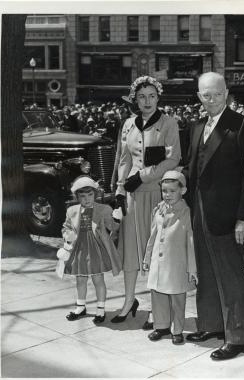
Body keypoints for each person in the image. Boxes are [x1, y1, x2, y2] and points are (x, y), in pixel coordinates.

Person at [182, 71, 244, 360]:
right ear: (198, 96)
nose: (211, 99)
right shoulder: (196, 126)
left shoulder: (242, 126)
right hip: (199, 208)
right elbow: (193, 167)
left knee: (231, 275)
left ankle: (237, 337)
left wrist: (242, 218)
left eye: (216, 93)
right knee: (206, 269)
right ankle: (212, 324)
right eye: (205, 94)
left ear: (226, 93)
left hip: (227, 213)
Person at [112, 76, 181, 328]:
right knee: (131, 249)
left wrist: (141, 177)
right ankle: (129, 301)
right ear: (135, 99)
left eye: (152, 95)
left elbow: (173, 160)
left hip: (157, 194)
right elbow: (124, 160)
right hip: (132, 196)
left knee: (156, 251)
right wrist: (120, 188)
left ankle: (157, 308)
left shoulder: (169, 123)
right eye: (142, 96)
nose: (147, 101)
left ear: (158, 97)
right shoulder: (129, 124)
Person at [142, 170, 197, 345]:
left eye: (172, 191)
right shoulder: (158, 210)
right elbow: (153, 235)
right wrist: (147, 257)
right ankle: (161, 326)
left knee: (177, 298)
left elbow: (190, 241)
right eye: (165, 191)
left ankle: (177, 329)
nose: (167, 195)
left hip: (177, 264)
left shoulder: (186, 212)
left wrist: (192, 267)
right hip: (158, 263)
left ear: (183, 190)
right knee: (157, 294)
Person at [60, 176, 121, 324]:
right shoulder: (72, 210)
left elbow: (113, 227)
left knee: (97, 279)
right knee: (80, 279)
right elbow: (66, 227)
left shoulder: (103, 209)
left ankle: (100, 310)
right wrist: (68, 235)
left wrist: (117, 219)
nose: (87, 199)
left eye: (90, 195)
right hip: (79, 248)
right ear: (77, 197)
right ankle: (80, 307)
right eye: (82, 196)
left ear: (95, 194)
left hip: (96, 248)